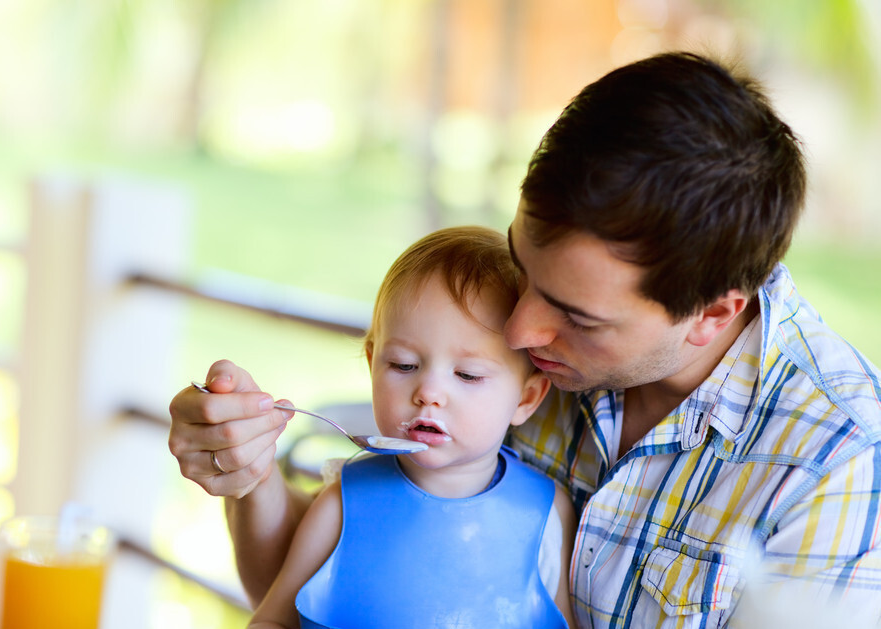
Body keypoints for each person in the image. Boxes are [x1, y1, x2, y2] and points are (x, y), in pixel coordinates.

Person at [168, 51, 881, 628]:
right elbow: (332, 582)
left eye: (576, 314)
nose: (518, 329)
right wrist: (248, 474)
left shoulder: (833, 465)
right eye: (524, 268)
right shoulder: (501, 350)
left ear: (713, 314)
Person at [244, 225, 575, 628]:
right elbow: (273, 619)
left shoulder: (546, 513)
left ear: (525, 399)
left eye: (468, 374)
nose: (429, 392)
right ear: (372, 365)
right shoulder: (342, 504)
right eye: (403, 365)